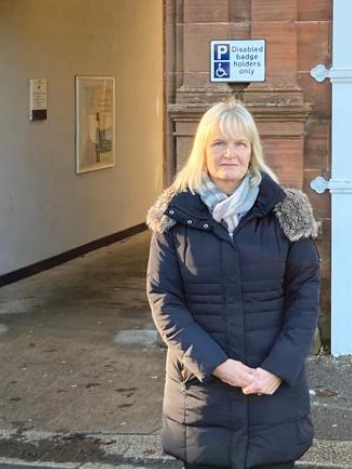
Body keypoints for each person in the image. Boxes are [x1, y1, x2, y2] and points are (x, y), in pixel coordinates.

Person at [145, 99, 321, 469]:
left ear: (252, 151)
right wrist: (217, 364)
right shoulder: (174, 216)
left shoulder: (286, 213)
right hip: (202, 392)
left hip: (271, 388)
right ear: (203, 151)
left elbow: (305, 295)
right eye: (219, 143)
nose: (230, 153)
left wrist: (277, 369)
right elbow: (165, 300)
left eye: (240, 144)